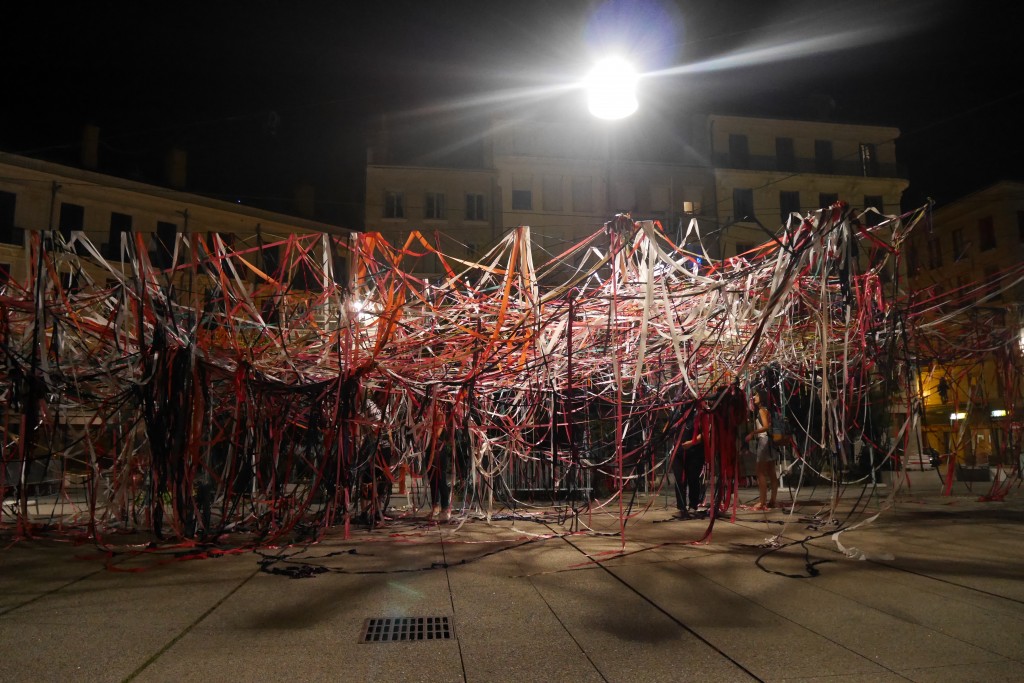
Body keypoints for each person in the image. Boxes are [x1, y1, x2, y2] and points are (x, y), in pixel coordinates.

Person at [744, 391, 778, 510]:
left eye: (757, 395)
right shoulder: (768, 410)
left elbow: (765, 426)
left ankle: (762, 501)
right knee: (771, 472)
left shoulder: (762, 410)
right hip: (770, 442)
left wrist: (753, 433)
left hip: (764, 442)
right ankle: (772, 500)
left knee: (760, 472)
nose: (754, 397)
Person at [671, 406, 705, 518]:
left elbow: (705, 433)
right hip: (678, 451)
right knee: (679, 479)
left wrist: (692, 442)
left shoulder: (700, 412)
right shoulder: (677, 412)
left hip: (695, 451)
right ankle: (681, 508)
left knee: (693, 479)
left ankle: (693, 506)